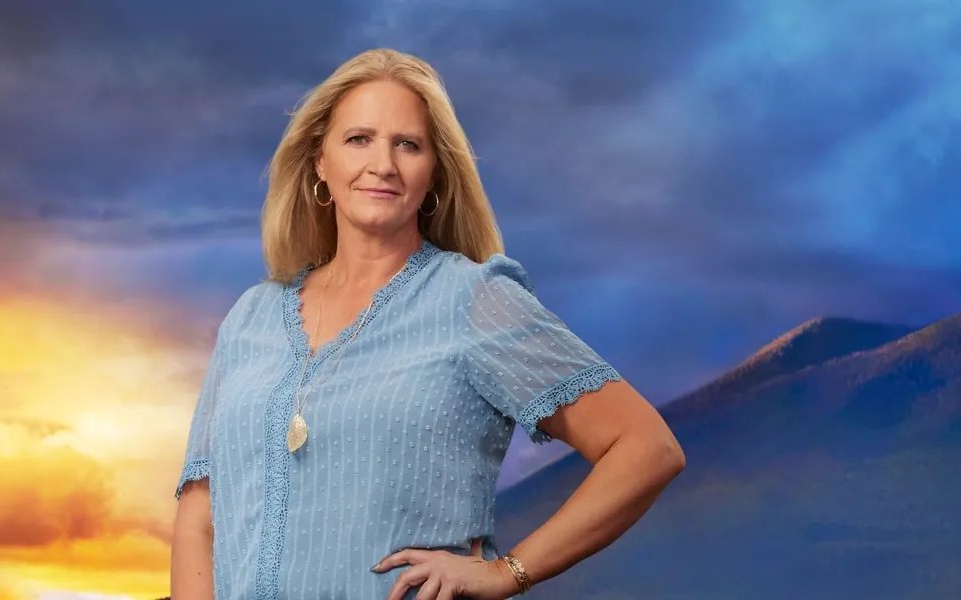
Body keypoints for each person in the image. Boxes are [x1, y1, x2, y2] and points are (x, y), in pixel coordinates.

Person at [170, 48, 685, 600]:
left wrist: (505, 572)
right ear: (320, 161)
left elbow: (646, 448)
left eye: (408, 145)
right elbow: (200, 513)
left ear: (434, 170)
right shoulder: (253, 316)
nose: (383, 165)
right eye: (358, 139)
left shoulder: (474, 300)